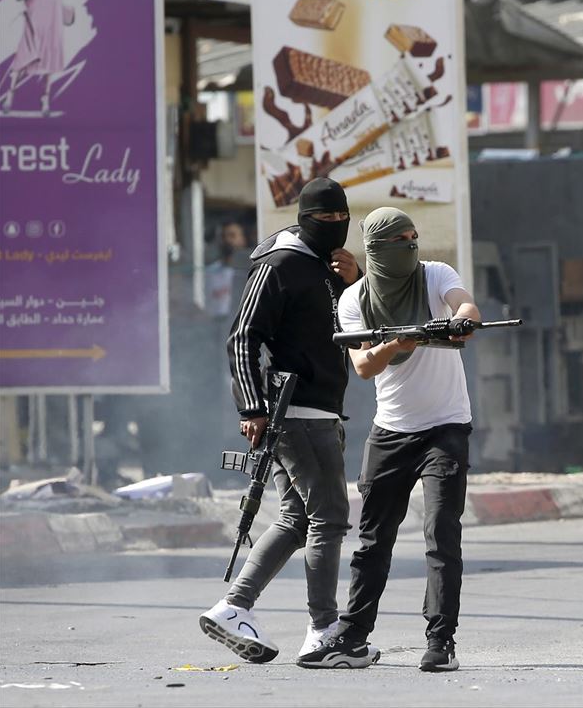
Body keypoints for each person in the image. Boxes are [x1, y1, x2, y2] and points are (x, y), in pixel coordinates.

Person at [298, 207, 479, 672]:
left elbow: (467, 307)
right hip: (392, 431)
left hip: (447, 427)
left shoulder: (435, 274)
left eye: (414, 236)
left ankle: (441, 642)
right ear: (377, 249)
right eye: (402, 238)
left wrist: (458, 321)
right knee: (373, 540)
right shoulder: (354, 299)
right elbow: (363, 366)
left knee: (442, 533)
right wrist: (398, 343)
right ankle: (354, 636)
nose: (412, 244)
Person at [199, 178, 363, 665]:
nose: (335, 227)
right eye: (325, 220)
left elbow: (352, 329)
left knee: (297, 520)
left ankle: (234, 607)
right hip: (297, 411)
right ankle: (323, 630)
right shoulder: (282, 264)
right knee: (330, 516)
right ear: (305, 218)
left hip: (320, 409)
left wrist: (353, 281)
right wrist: (251, 406)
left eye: (341, 219)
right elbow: (243, 337)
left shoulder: (325, 266)